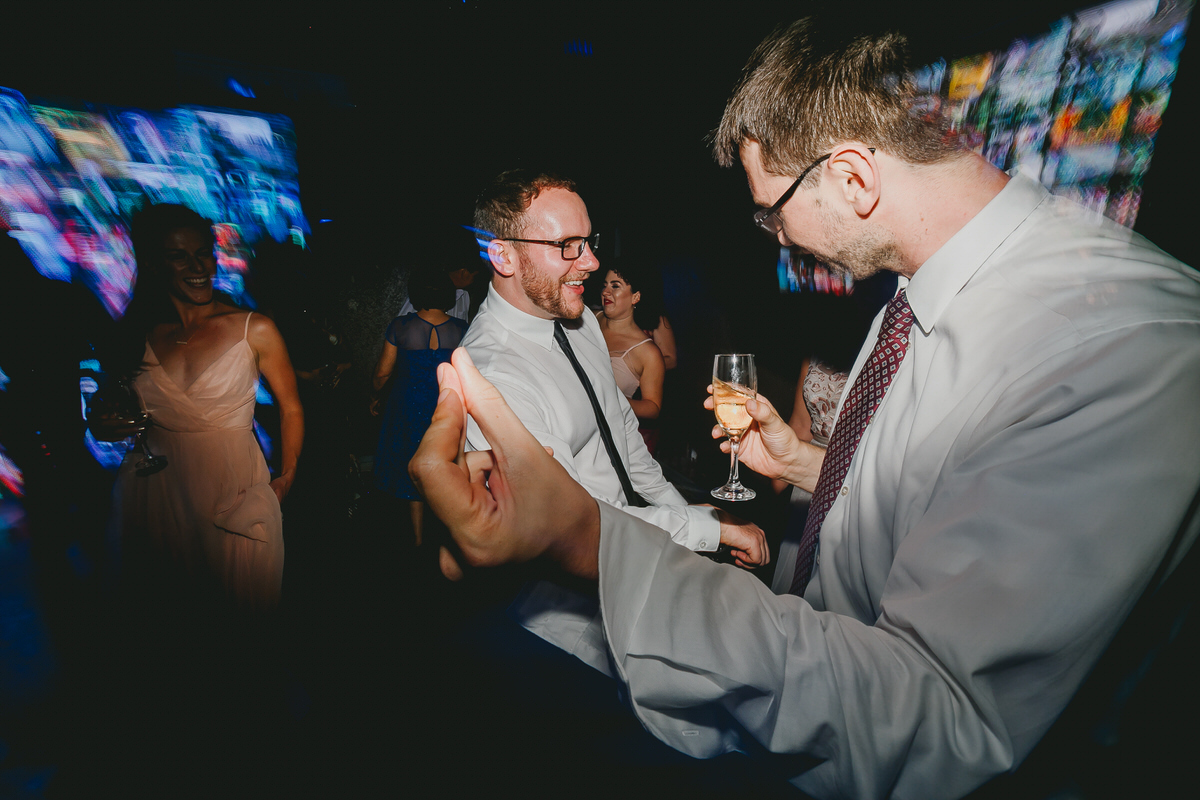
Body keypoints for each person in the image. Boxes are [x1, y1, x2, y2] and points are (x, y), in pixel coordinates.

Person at [411, 18, 1200, 800]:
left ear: (853, 178)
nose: (774, 237)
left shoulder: (1114, 346)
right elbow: (940, 496)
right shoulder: (912, 296)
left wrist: (587, 537)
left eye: (772, 210)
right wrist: (797, 461)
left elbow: (937, 721)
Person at [459, 169, 767, 671]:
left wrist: (681, 530)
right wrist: (710, 528)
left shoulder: (577, 321)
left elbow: (622, 435)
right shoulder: (494, 376)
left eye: (590, 241)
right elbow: (576, 524)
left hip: (642, 563)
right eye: (568, 245)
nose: (593, 262)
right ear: (502, 255)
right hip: (570, 627)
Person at [96, 203, 303, 610]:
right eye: (179, 255)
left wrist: (288, 476)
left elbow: (291, 407)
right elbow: (109, 407)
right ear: (155, 265)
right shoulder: (137, 333)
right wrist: (101, 423)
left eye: (203, 252)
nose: (199, 266)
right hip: (155, 493)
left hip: (232, 491)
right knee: (170, 621)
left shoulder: (254, 328)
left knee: (237, 617)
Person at [371, 269, 468, 547]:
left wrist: (374, 395)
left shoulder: (401, 327)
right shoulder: (462, 329)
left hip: (407, 406)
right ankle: (449, 533)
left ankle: (417, 539)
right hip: (444, 406)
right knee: (445, 464)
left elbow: (382, 373)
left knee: (410, 464)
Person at [596, 264, 665, 454]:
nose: (606, 292)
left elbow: (653, 407)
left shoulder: (647, 352)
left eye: (615, 286)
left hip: (604, 440)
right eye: (605, 285)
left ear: (636, 297)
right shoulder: (588, 321)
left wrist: (614, 398)